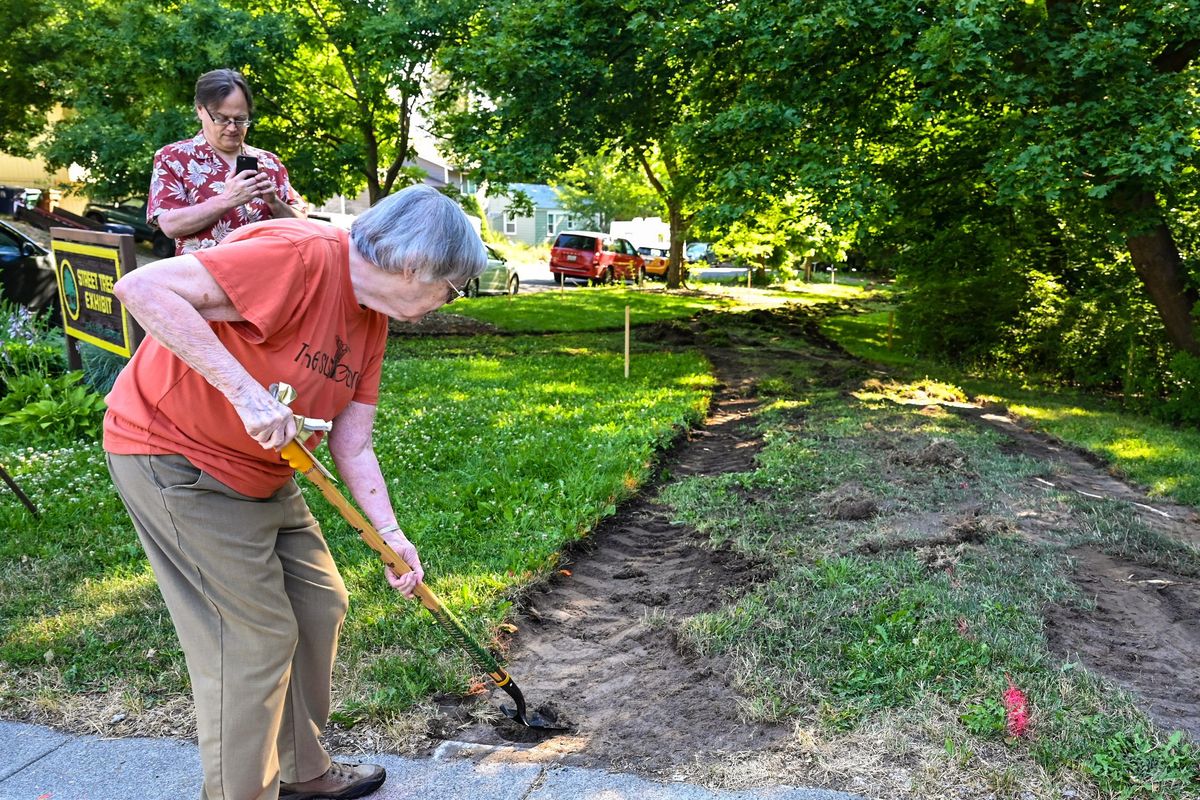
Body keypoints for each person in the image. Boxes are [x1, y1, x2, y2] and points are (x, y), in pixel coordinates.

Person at [104, 184, 486, 800]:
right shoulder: (298, 255)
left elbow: (353, 444)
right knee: (251, 638)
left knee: (318, 605)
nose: (449, 301)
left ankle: (302, 772)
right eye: (454, 286)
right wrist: (245, 392)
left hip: (269, 467)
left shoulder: (372, 320)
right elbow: (142, 289)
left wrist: (391, 535)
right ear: (417, 265)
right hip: (175, 454)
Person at [148, 68, 307, 255]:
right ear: (200, 110)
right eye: (221, 119)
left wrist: (274, 203)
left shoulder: (270, 162)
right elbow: (169, 225)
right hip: (206, 280)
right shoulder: (173, 157)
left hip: (268, 278)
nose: (232, 128)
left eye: (240, 119)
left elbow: (301, 225)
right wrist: (226, 200)